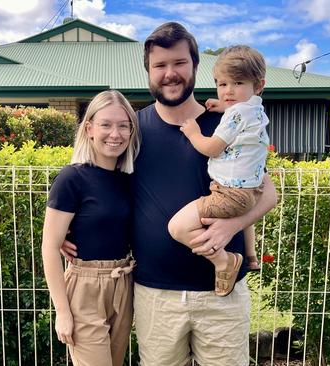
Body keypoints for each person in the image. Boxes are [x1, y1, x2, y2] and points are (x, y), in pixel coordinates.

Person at [62, 23, 277, 365]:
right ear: (148, 71)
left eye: (179, 63)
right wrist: (71, 230)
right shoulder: (132, 130)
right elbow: (99, 187)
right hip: (154, 296)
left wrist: (232, 226)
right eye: (160, 65)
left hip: (221, 296)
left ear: (194, 66)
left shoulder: (224, 124)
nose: (170, 73)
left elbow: (267, 192)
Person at [42, 89, 141, 366]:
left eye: (123, 126)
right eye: (106, 125)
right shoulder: (71, 178)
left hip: (123, 282)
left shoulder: (128, 179)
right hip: (85, 289)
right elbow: (49, 247)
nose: (115, 134)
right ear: (89, 128)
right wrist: (62, 311)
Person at [168, 45, 270, 297]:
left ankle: (224, 261)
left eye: (237, 83)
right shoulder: (255, 109)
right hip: (251, 188)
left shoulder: (236, 115)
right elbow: (240, 114)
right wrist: (226, 107)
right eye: (222, 84)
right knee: (245, 213)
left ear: (258, 86)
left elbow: (212, 148)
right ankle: (251, 255)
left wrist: (193, 133)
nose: (228, 91)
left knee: (178, 227)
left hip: (230, 193)